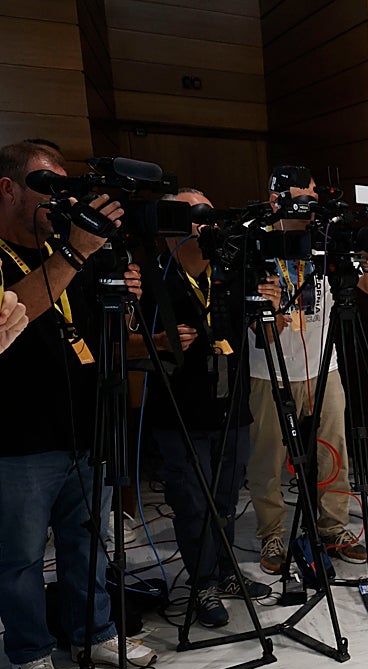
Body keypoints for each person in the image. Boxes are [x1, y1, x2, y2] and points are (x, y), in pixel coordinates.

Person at [0, 140, 156, 669]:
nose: (59, 200)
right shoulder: (28, 254)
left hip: (84, 425)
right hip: (19, 435)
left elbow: (101, 334)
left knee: (87, 541)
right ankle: (30, 654)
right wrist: (74, 252)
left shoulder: (70, 254)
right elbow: (13, 308)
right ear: (8, 188)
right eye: (46, 186)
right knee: (19, 555)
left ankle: (94, 632)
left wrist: (126, 299)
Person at [135, 188, 274, 628]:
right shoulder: (149, 275)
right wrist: (158, 342)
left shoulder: (231, 272)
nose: (203, 223)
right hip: (179, 412)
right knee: (193, 504)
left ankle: (227, 572)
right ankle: (203, 583)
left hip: (231, 407)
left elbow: (264, 337)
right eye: (192, 215)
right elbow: (121, 343)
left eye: (208, 214)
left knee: (227, 499)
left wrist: (271, 310)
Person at [246, 168, 368, 574]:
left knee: (333, 452)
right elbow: (258, 328)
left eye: (312, 196)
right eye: (300, 197)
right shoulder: (256, 242)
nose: (309, 205)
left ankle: (333, 527)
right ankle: (272, 533)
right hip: (268, 370)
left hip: (326, 366)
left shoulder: (329, 238)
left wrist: (366, 263)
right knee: (267, 459)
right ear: (276, 200)